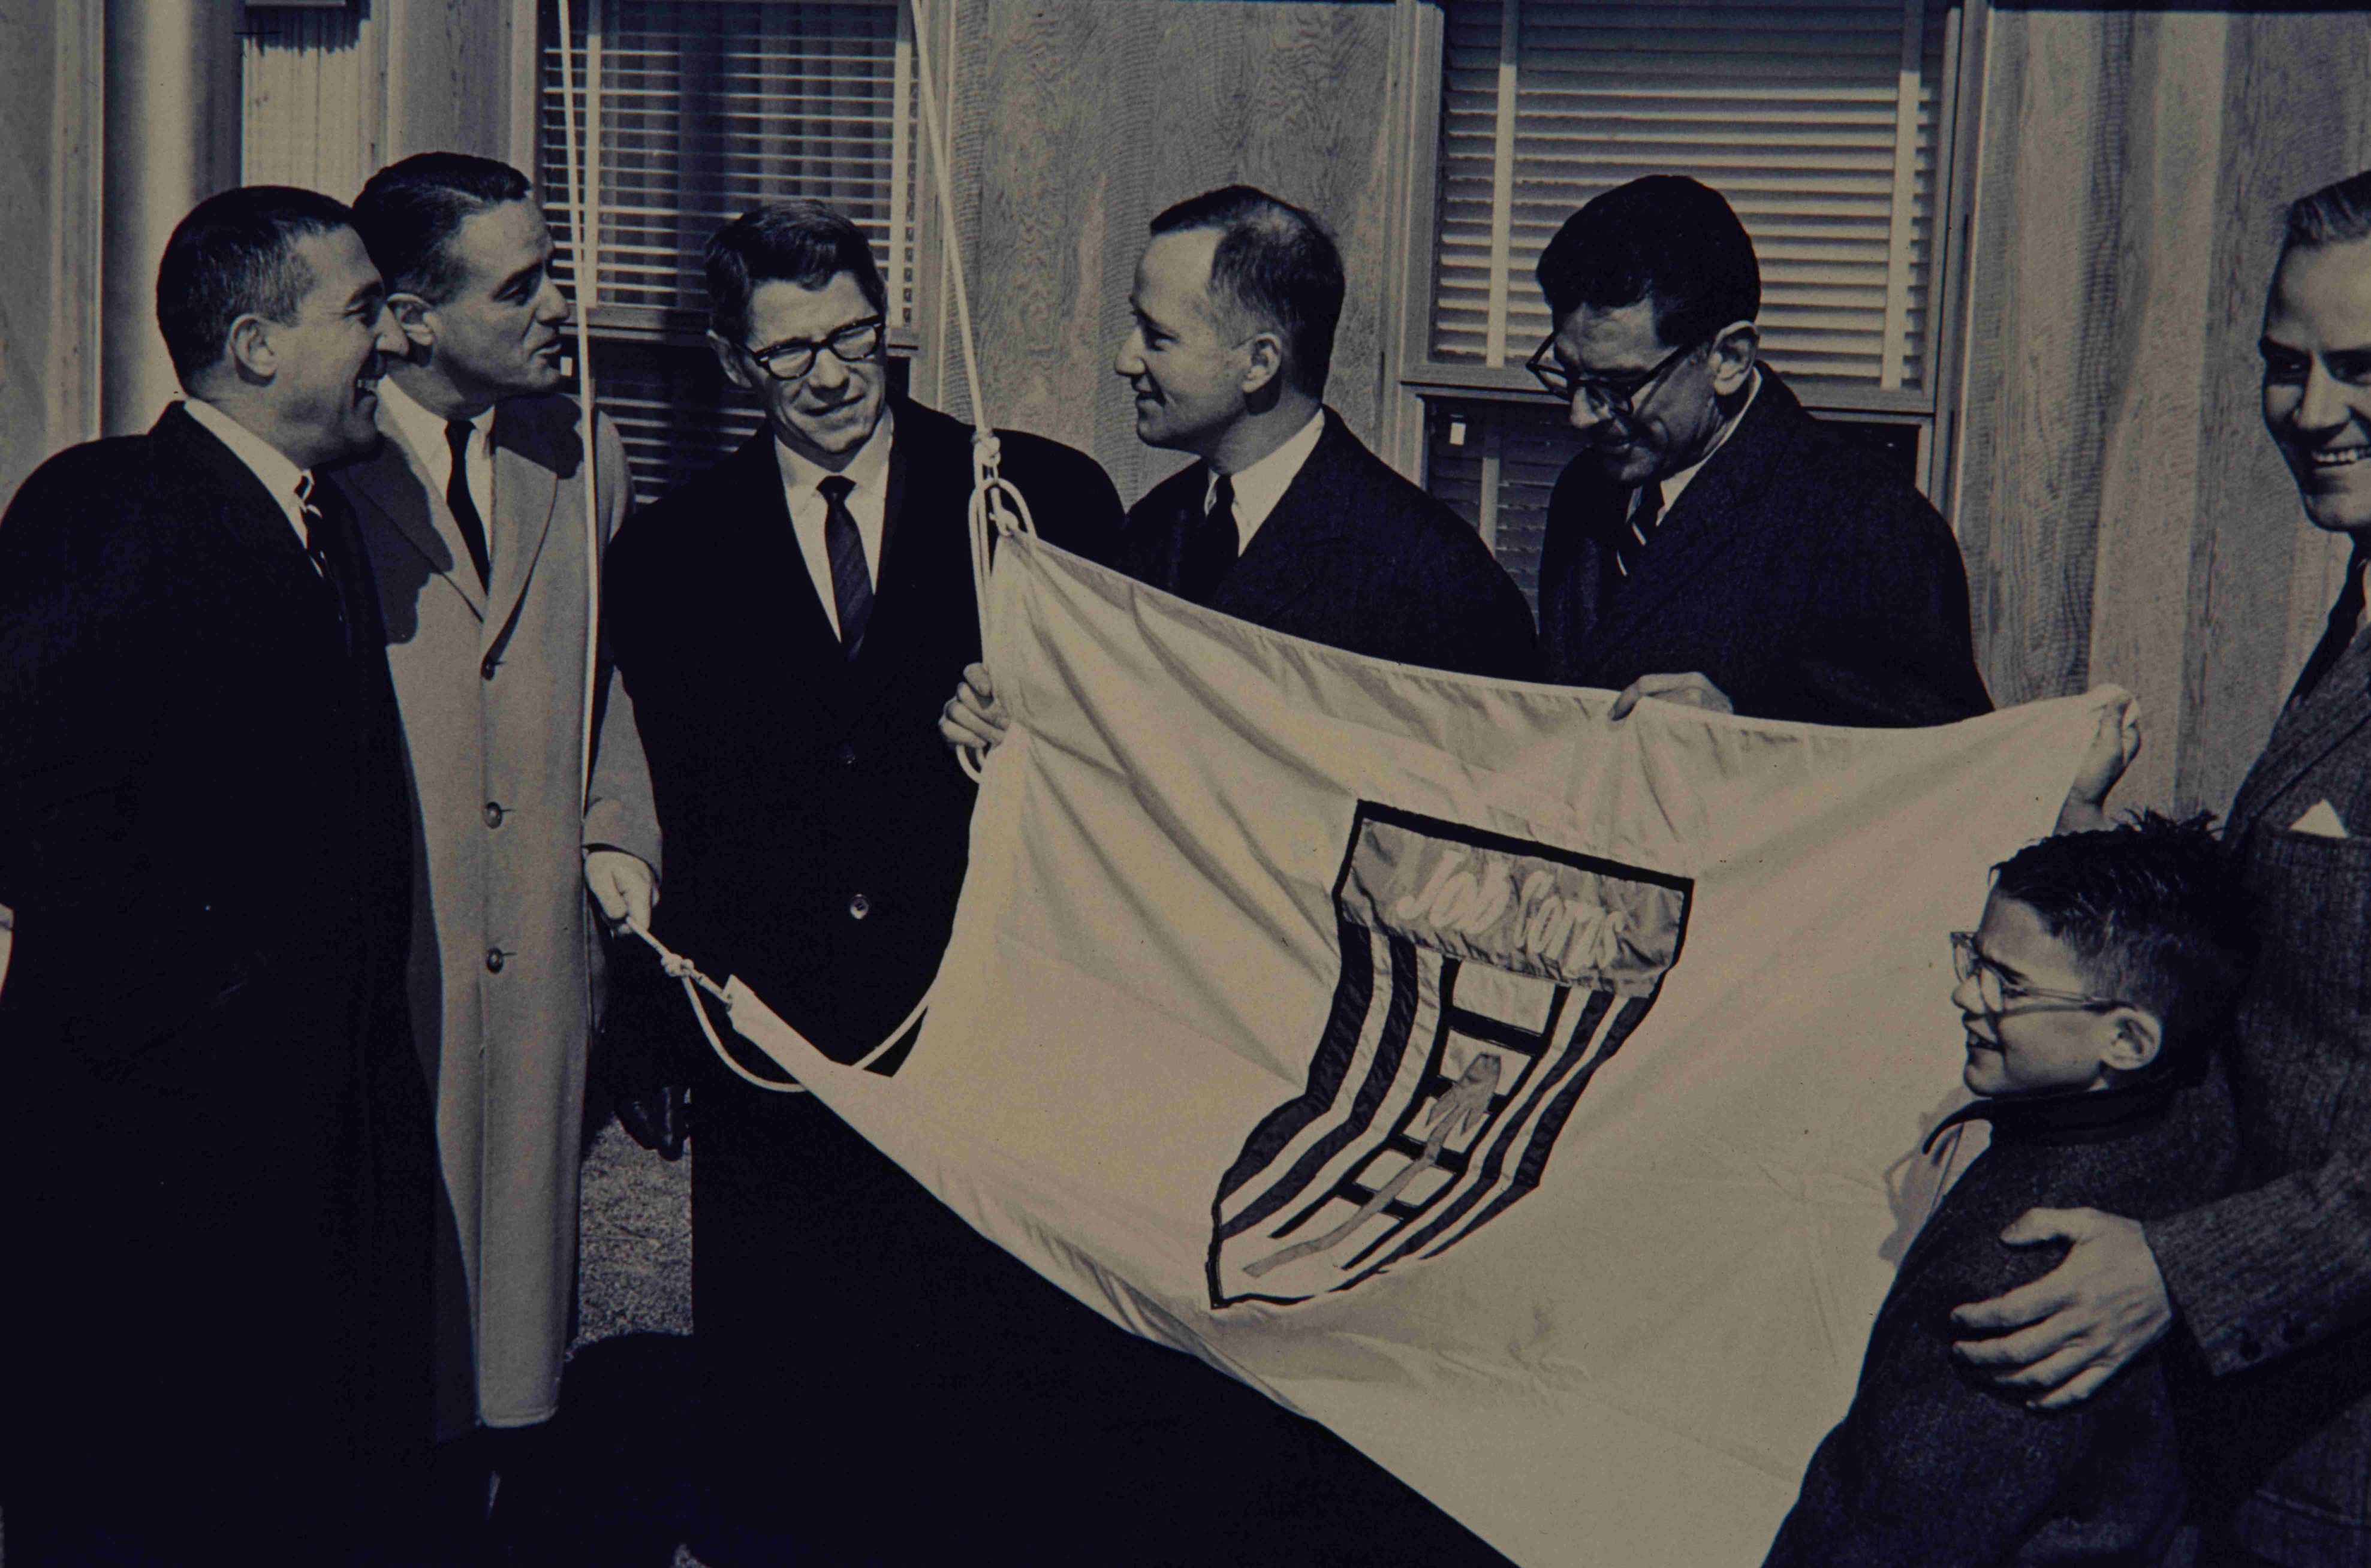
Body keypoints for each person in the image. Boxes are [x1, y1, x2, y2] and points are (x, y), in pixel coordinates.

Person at [941, 184, 1529, 1568]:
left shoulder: (1425, 578)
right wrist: (1004, 723)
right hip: (1159, 1100)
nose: (1125, 359)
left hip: (1322, 1124)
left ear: (1258, 360)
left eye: (1154, 333)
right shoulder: (1152, 537)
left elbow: (1491, 870)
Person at [596, 200, 1126, 1564]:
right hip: (774, 1042)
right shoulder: (667, 547)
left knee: (984, 1393)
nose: (830, 376)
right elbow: (665, 792)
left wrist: (1037, 726)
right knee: (788, 1415)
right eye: (789, 354)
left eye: (853, 337)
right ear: (732, 361)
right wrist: (663, 1024)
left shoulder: (1034, 498)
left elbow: (1132, 743)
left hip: (987, 1021)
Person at [0, 186, 438, 1562]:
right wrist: (209, 1053)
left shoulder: (330, 523)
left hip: (317, 1184)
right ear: (255, 344)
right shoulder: (106, 510)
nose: (396, 340)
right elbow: (39, 808)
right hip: (167, 1194)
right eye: (364, 311)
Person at [1951, 168, 2371, 1565]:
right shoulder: (2357, 609)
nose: (2312, 412)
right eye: (2282, 365)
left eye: (2363, 367)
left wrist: (2184, 1274)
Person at [333, 150, 662, 1536]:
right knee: (368, 1344)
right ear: (407, 318)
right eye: (521, 285)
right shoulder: (322, 471)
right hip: (383, 976)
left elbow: (605, 677)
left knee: (511, 1360)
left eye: (555, 271)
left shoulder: (580, 452)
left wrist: (618, 831)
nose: (559, 308)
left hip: (535, 982)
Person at [1766, 814, 2248, 1567]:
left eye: (2007, 985)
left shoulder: (2010, 1274)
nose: (1966, 994)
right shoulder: (2204, 1108)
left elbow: (1895, 1532)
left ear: (2127, 1040)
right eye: (1973, 957)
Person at [1528, 174, 1992, 726]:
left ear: (1729, 358)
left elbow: (1943, 771)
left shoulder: (1869, 525)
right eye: (1568, 376)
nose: (1580, 415)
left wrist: (1742, 730)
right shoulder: (1584, 491)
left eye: (1618, 387)